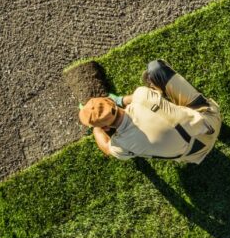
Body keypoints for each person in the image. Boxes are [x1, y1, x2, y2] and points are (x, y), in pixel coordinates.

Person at [79, 60, 221, 164]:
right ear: (111, 101)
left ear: (105, 128)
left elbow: (106, 147)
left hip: (195, 155)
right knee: (155, 69)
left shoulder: (121, 144)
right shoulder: (142, 95)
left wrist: (96, 128)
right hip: (210, 122)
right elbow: (132, 99)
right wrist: (120, 100)